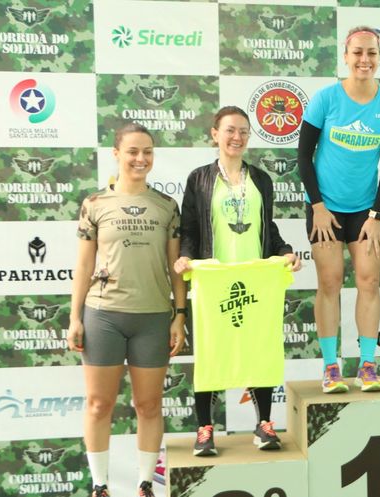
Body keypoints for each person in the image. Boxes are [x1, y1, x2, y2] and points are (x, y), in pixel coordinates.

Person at [173, 106, 301, 456]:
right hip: (214, 281)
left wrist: (286, 251)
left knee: (260, 347)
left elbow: (267, 227)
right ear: (215, 134)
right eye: (230, 130)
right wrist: (185, 256)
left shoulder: (260, 179)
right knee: (210, 351)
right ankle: (204, 429)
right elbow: (189, 229)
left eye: (244, 131)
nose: (237, 137)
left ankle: (264, 425)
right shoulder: (199, 179)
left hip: (255, 280)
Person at [67, 124, 187, 497]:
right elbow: (83, 265)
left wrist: (179, 314)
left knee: (148, 405)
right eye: (133, 151)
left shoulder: (167, 206)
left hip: (152, 318)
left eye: (147, 151)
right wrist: (74, 318)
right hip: (103, 315)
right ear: (116, 154)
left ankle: (145, 484)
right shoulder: (94, 204)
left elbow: (176, 268)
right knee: (99, 404)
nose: (141, 159)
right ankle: (100, 485)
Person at [297, 25, 380, 393]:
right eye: (358, 52)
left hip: (365, 211)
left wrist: (376, 216)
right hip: (324, 207)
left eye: (372, 52)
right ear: (345, 56)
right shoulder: (325, 99)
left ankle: (367, 366)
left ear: (379, 57)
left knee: (369, 281)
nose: (364, 59)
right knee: (329, 283)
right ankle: (331, 367)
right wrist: (317, 206)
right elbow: (303, 157)